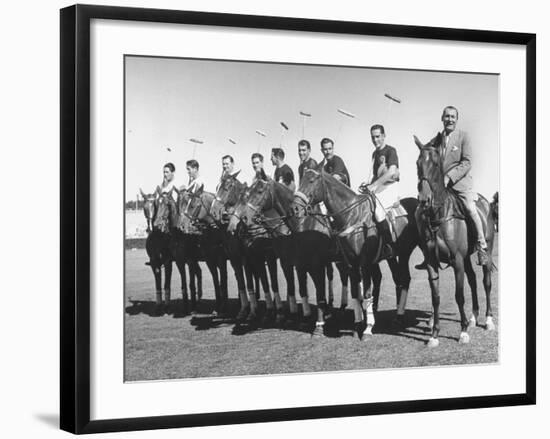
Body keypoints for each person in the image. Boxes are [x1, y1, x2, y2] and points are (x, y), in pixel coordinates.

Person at [416, 106, 488, 268]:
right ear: (442, 118)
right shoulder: (437, 139)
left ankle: (482, 246)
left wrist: (450, 176)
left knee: (470, 208)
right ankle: (427, 253)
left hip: (460, 184)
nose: (449, 119)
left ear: (456, 119)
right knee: (422, 212)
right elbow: (426, 152)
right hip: (441, 189)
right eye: (447, 116)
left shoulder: (463, 137)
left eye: (453, 117)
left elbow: (467, 162)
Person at [359, 124, 400, 260]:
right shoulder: (374, 154)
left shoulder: (390, 151)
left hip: (390, 186)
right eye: (373, 137)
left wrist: (374, 185)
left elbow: (392, 172)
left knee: (378, 212)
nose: (375, 140)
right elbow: (375, 176)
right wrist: (368, 185)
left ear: (383, 136)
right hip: (379, 188)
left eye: (378, 136)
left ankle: (389, 246)